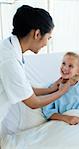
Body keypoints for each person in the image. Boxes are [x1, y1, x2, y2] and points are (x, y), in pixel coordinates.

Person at [0, 5, 72, 137]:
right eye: (48, 38)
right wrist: (62, 92)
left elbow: (24, 88)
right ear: (37, 34)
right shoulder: (10, 61)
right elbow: (33, 103)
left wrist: (51, 89)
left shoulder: (8, 47)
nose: (47, 43)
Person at [42, 52, 79, 125]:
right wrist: (68, 118)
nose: (65, 68)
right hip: (62, 123)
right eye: (63, 63)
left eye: (70, 66)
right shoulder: (53, 88)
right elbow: (48, 112)